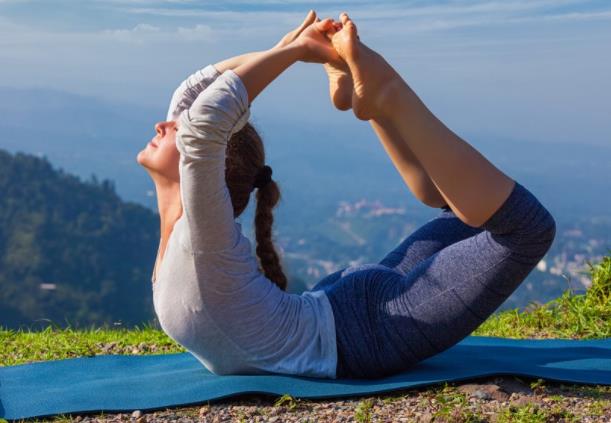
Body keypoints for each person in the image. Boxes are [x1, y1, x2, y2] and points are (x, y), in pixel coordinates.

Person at [136, 11, 556, 380]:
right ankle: (376, 103)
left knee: (516, 225)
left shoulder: (201, 231)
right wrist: (293, 50)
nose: (164, 123)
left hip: (359, 327)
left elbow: (197, 108)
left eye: (176, 126)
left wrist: (290, 50)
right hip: (353, 319)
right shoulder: (200, 232)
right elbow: (198, 112)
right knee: (493, 218)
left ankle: (384, 97)